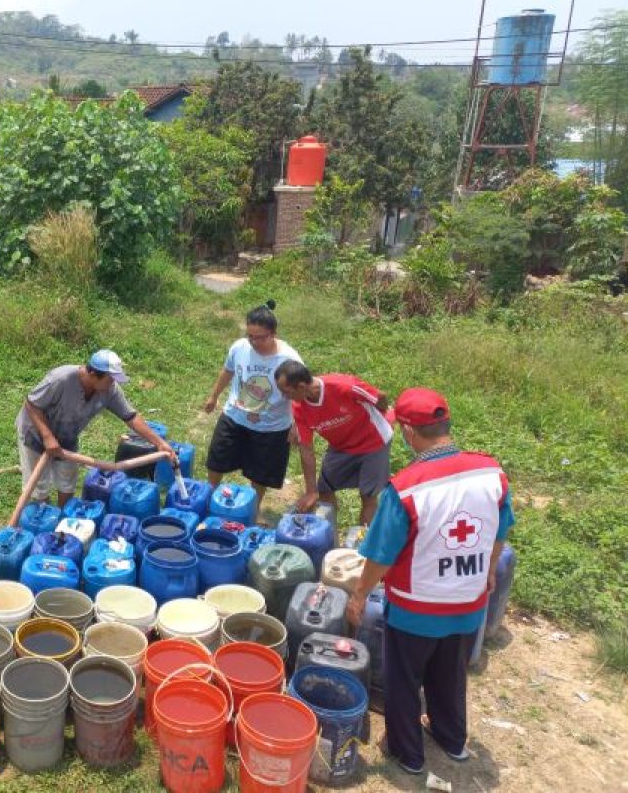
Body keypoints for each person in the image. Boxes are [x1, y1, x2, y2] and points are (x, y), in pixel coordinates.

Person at [346, 388, 514, 776]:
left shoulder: (405, 488)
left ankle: (408, 754)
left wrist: (358, 596)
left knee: (403, 680)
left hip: (416, 608)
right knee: (449, 672)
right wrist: (488, 568)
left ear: (407, 431)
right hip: (469, 603)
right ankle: (452, 739)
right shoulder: (491, 471)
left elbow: (380, 557)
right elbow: (501, 528)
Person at [17, 349, 175, 506]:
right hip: (35, 433)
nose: (112, 384)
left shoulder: (109, 390)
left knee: (67, 482)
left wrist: (159, 443)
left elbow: (131, 417)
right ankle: (40, 520)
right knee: (39, 486)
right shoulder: (61, 379)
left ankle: (63, 518)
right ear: (92, 374)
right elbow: (32, 405)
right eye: (109, 380)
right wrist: (47, 437)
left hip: (67, 437)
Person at [202, 301, 302, 522]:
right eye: (251, 336)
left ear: (274, 333)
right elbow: (227, 371)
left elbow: (298, 392)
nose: (254, 342)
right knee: (217, 459)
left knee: (260, 471)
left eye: (260, 337)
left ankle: (253, 508)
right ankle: (209, 497)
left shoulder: (288, 359)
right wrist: (214, 395)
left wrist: (298, 425)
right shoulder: (239, 347)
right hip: (234, 415)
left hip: (271, 425)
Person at [275, 360, 392, 526]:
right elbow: (306, 449)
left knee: (368, 496)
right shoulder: (299, 407)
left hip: (374, 442)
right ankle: (329, 536)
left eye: (286, 392)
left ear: (301, 386)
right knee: (324, 490)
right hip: (341, 447)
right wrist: (310, 492)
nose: (284, 397)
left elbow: (379, 396)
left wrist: (382, 414)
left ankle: (362, 545)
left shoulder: (344, 386)